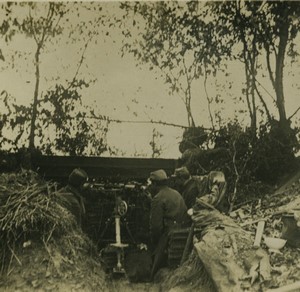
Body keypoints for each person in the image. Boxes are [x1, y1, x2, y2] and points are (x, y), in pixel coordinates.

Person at [148, 169, 189, 280]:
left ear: (155, 184)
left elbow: (156, 227)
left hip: (167, 237)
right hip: (183, 235)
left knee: (154, 273)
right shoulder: (177, 194)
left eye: (152, 184)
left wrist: (155, 243)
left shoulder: (158, 199)